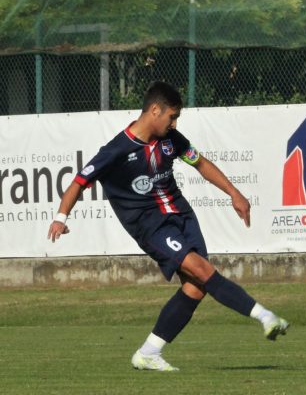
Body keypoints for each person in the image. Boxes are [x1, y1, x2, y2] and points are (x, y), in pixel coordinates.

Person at [48, 81, 289, 371]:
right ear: (154, 111)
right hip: (150, 226)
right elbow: (78, 182)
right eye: (171, 116)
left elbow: (200, 163)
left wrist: (234, 193)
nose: (174, 123)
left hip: (182, 216)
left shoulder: (171, 139)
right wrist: (61, 217)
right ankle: (265, 317)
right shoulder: (116, 149)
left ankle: (149, 352)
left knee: (197, 287)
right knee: (203, 270)